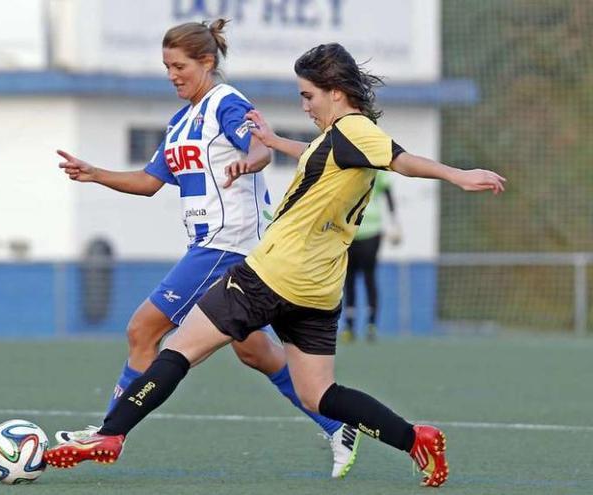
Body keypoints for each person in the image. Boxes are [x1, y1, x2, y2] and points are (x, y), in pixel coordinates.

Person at [44, 42, 505, 488]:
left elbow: (401, 160)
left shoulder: (356, 131)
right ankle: (416, 440)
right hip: (319, 288)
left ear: (335, 92)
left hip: (272, 273)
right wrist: (273, 140)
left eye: (308, 95)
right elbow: (318, 159)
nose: (304, 105)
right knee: (318, 394)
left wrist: (457, 174)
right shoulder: (340, 140)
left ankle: (111, 434)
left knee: (178, 349)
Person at [54, 21, 360, 477]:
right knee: (254, 352)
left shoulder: (225, 102)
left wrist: (250, 161)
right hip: (224, 247)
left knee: (143, 329)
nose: (172, 74)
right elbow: (149, 182)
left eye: (179, 66)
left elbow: (259, 146)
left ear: (207, 62)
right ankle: (337, 425)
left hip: (227, 244)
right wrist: (96, 173)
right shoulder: (180, 122)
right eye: (166, 67)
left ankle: (108, 432)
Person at [342, 170, 401, 342]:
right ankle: (350, 326)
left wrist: (395, 224)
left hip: (372, 232)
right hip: (349, 232)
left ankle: (371, 325)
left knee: (369, 277)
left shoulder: (378, 169)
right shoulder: (348, 167)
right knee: (349, 279)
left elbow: (389, 195)